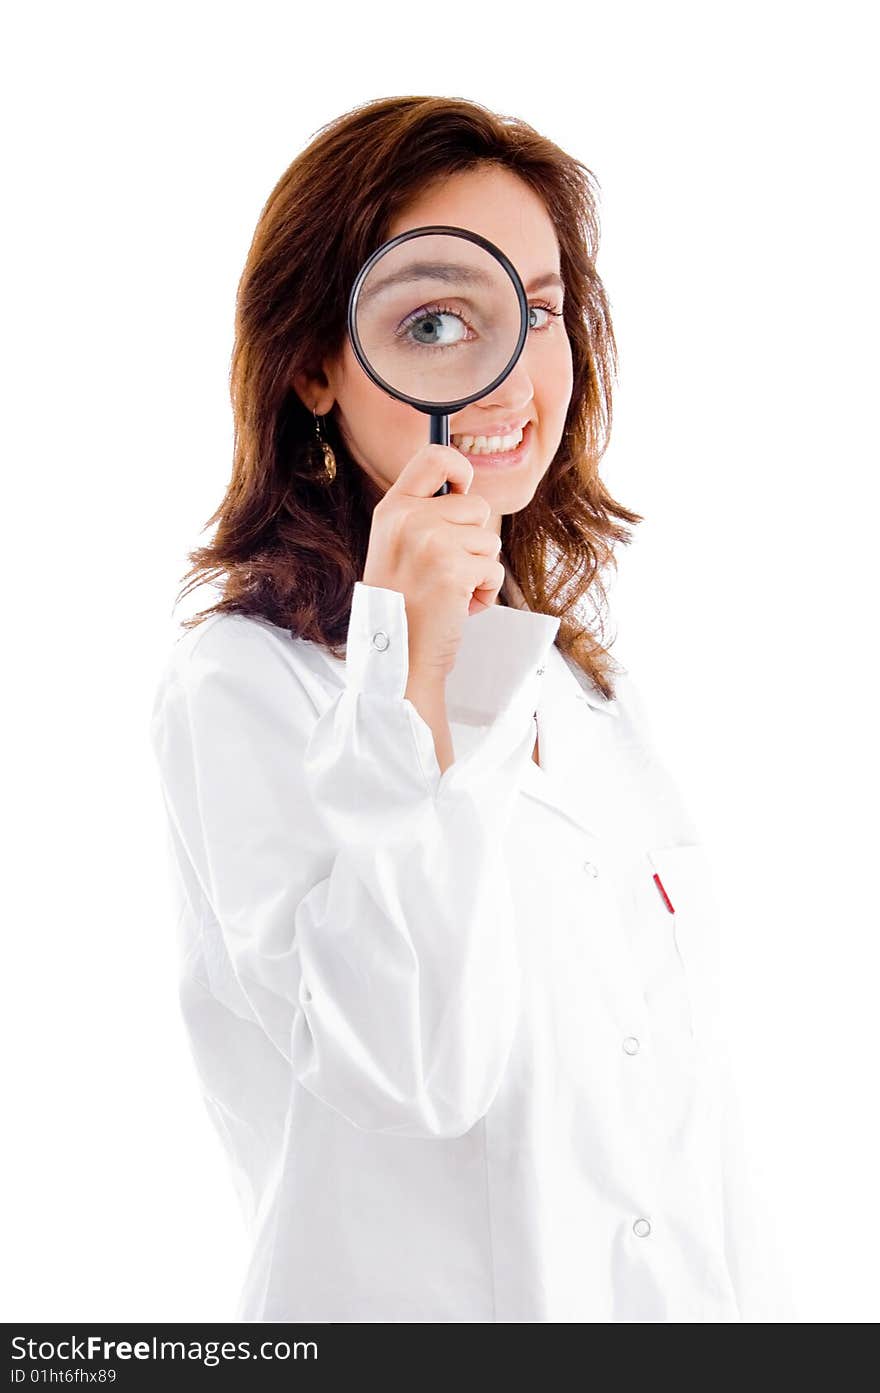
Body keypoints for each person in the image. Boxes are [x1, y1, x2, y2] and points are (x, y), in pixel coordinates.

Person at [149, 95, 795, 1322]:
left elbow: (689, 1126)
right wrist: (407, 675)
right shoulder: (240, 686)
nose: (508, 370)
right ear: (315, 368)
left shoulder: (584, 684)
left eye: (540, 310)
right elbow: (411, 1067)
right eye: (434, 320)